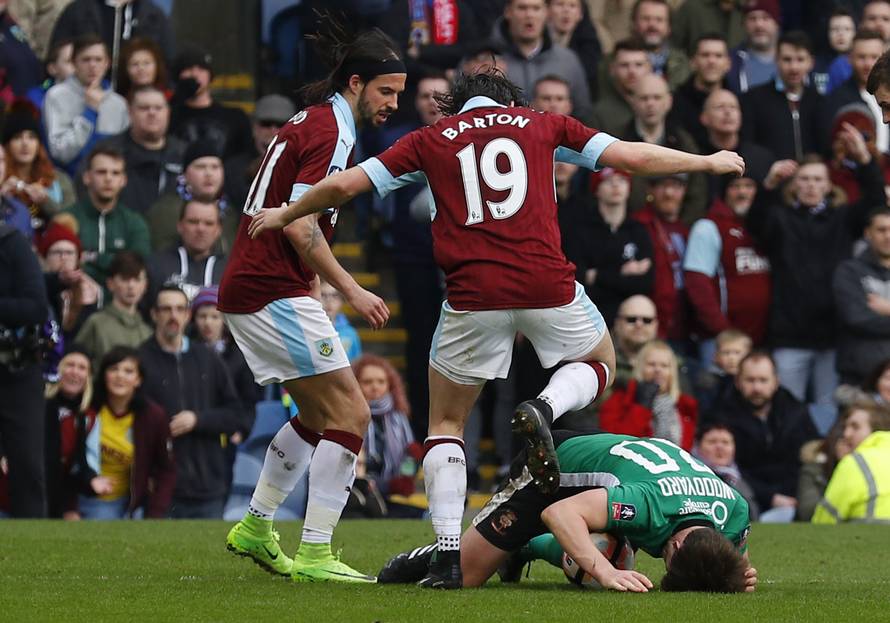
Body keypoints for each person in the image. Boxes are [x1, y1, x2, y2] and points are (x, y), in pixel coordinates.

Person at [247, 68, 745, 588]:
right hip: (547, 283)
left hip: (472, 294)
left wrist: (288, 210)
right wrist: (707, 161)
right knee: (602, 363)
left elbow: (345, 184)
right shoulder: (543, 123)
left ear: (455, 106)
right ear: (510, 101)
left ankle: (445, 555)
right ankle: (547, 407)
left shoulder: (428, 139)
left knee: (445, 424)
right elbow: (631, 156)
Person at [219, 24, 404, 583]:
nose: (394, 104)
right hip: (269, 285)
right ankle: (317, 552)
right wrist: (351, 289)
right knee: (350, 414)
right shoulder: (331, 133)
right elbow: (300, 230)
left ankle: (254, 527)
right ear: (356, 83)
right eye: (386, 92)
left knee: (319, 416)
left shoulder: (316, 121)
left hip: (258, 282)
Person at [378, 431, 756, 593]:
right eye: (670, 563)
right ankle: (450, 551)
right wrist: (603, 571)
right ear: (673, 547)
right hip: (552, 469)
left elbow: (733, 558)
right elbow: (559, 513)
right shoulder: (647, 505)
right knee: (467, 575)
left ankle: (525, 548)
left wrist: (734, 574)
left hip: (610, 471)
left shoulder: (735, 511)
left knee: (615, 554)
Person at [748, 148, 884, 434]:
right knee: (786, 413)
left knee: (827, 415)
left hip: (831, 339)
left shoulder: (842, 220)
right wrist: (769, 185)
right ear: (795, 185)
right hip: (789, 337)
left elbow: (875, 204)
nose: (811, 185)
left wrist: (865, 161)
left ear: (828, 185)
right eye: (805, 179)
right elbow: (755, 222)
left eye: (817, 179)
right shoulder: (781, 219)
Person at [138, 285, 246, 519]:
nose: (173, 315)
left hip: (207, 483)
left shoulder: (208, 359)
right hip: (160, 485)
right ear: (154, 314)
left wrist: (198, 419)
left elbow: (235, 414)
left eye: (179, 309)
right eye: (166, 309)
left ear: (188, 315)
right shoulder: (140, 359)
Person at [706, 351, 819, 521]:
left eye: (763, 380)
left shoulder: (795, 412)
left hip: (795, 497)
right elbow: (726, 470)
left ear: (776, 382)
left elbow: (811, 455)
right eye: (750, 380)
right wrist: (771, 497)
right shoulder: (720, 417)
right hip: (744, 500)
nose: (757, 388)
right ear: (738, 382)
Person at [71, 345, 175, 519]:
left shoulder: (153, 416)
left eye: (128, 371)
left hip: (130, 503)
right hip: (87, 498)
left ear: (138, 379)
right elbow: (67, 461)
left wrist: (155, 514)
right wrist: (69, 508)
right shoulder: (86, 409)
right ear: (104, 375)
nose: (120, 376)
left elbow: (167, 469)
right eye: (114, 369)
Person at [683, 174, 771, 351]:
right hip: (721, 341)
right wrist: (723, 331)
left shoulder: (766, 226)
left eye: (748, 186)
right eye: (735, 186)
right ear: (724, 192)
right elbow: (697, 285)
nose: (742, 192)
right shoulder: (708, 227)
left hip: (763, 339)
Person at [560, 166, 653, 327]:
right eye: (609, 180)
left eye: (622, 180)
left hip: (630, 321)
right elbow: (579, 282)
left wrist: (597, 276)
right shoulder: (580, 231)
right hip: (590, 319)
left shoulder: (639, 231)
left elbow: (645, 284)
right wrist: (622, 272)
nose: (616, 186)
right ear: (596, 189)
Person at [0, 221, 49, 517]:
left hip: (16, 368)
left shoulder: (12, 244)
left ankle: (35, 541)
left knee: (27, 465)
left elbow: (36, 306)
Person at [63, 146, 150, 293]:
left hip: (119, 302)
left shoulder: (135, 222)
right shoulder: (67, 218)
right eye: (101, 172)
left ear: (123, 180)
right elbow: (64, 265)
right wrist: (116, 261)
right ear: (87, 177)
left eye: (115, 173)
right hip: (76, 297)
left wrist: (94, 257)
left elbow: (135, 267)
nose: (108, 179)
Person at [489, 0, 594, 122]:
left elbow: (582, 112)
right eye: (522, 8)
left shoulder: (567, 60)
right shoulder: (485, 59)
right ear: (508, 12)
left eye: (536, 8)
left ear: (547, 13)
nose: (529, 15)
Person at [620, 73, 707, 220]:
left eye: (657, 97)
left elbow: (698, 190)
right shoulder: (619, 141)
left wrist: (681, 227)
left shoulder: (683, 141)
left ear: (669, 102)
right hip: (632, 228)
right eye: (644, 98)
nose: (650, 104)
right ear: (632, 102)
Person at [43, 33, 129, 175]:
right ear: (74, 63)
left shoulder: (118, 104)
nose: (93, 65)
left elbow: (124, 154)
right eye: (86, 60)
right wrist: (89, 112)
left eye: (98, 60)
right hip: (69, 181)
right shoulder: (56, 96)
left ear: (107, 63)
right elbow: (60, 153)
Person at [93, 85, 184, 216]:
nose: (152, 113)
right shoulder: (107, 151)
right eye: (144, 108)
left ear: (167, 112)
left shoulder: (183, 154)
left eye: (158, 108)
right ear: (130, 112)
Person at [740, 30, 828, 162]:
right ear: (776, 60)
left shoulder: (820, 101)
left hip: (811, 179)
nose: (794, 67)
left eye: (800, 59)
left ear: (811, 62)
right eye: (787, 59)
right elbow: (748, 146)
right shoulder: (753, 99)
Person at [599, 339, 698, 450]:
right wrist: (641, 407)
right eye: (651, 364)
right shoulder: (618, 400)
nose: (658, 370)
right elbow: (618, 443)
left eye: (664, 366)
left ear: (672, 372)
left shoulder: (685, 406)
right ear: (640, 368)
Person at [834, 207, 890, 386]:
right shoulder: (849, 271)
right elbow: (857, 319)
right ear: (868, 233)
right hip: (860, 377)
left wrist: (887, 308)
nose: (888, 236)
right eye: (881, 230)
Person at [168, 44, 252, 162]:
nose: (195, 74)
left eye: (201, 69)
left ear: (210, 75)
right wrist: (179, 97)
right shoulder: (169, 115)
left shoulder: (235, 118)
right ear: (178, 76)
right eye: (188, 69)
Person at [632, 173, 690, 342]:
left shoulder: (687, 229)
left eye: (676, 186)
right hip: (649, 325)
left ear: (684, 190)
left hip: (684, 327)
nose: (669, 193)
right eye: (662, 186)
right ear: (650, 189)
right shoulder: (638, 225)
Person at [146, 140, 232, 253]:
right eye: (201, 167)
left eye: (215, 167)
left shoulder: (231, 213)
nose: (209, 173)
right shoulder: (165, 211)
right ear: (185, 175)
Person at [354, 353, 420, 498]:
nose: (375, 387)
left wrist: (406, 477)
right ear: (355, 384)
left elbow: (410, 454)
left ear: (390, 385)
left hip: (392, 490)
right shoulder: (347, 415)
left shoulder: (399, 416)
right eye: (367, 382)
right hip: (355, 489)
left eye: (381, 382)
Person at [812, 402, 890, 523]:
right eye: (845, 427)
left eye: (855, 427)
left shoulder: (854, 464)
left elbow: (822, 523)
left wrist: (844, 464)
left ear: (876, 430)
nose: (846, 434)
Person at [2, 105, 76, 230]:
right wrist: (2, 197)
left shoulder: (58, 179)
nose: (25, 143)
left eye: (31, 137)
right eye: (17, 137)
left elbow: (72, 224)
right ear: (7, 145)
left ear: (39, 144)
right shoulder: (1, 179)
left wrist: (46, 202)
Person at [74, 250, 150, 370]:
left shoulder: (147, 331)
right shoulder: (96, 323)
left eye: (137, 279)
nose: (131, 286)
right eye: (124, 279)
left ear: (145, 285)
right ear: (110, 284)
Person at [146, 198, 227, 305]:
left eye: (208, 223)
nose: (200, 229)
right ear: (180, 226)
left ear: (218, 230)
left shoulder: (229, 271)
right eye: (193, 222)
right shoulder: (156, 264)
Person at [43, 347, 92, 519]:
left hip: (61, 496)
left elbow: (76, 464)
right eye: (69, 365)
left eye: (82, 367)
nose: (75, 372)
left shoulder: (84, 415)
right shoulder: (39, 404)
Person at [48, 0, 173, 63]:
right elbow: (58, 55)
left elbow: (166, 59)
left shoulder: (153, 15)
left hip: (136, 100)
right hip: (83, 94)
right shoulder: (79, 9)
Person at [826, 30, 886, 153]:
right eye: (861, 57)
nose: (868, 64)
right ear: (849, 59)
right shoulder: (835, 100)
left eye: (875, 57)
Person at [671, 33, 732, 149]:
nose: (711, 61)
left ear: (728, 64)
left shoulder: (739, 101)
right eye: (705, 55)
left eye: (718, 56)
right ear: (693, 62)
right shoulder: (676, 102)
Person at [693, 422, 759, 519]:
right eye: (712, 442)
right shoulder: (691, 477)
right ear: (698, 447)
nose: (720, 447)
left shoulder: (741, 478)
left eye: (725, 442)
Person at [593, 38, 653, 135]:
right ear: (612, 69)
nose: (632, 71)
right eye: (624, 65)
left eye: (638, 65)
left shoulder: (663, 107)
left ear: (649, 68)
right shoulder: (599, 115)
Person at [630, 0, 690, 90]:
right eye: (646, 19)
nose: (652, 25)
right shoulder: (616, 62)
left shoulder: (683, 63)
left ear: (669, 27)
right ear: (634, 24)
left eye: (659, 20)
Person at [727, 0, 779, 94]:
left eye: (766, 18)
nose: (759, 25)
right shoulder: (730, 62)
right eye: (752, 18)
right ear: (744, 24)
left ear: (776, 24)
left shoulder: (794, 60)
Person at [612, 294, 660, 386]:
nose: (639, 324)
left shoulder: (672, 364)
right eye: (631, 319)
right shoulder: (603, 361)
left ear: (656, 325)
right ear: (617, 324)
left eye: (647, 320)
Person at [320, 281, 361, 362]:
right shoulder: (309, 329)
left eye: (334, 295)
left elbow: (356, 365)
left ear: (341, 301)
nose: (329, 300)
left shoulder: (351, 333)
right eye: (323, 295)